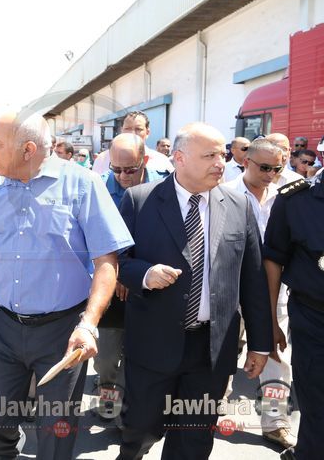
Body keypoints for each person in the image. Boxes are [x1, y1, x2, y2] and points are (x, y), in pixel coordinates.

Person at [0, 111, 134, 459]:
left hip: (62, 332)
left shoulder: (83, 184)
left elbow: (106, 262)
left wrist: (88, 324)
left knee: (56, 431)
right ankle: (9, 452)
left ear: (27, 149)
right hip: (3, 327)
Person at [115, 122, 272, 460]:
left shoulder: (239, 205)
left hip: (211, 350)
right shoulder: (140, 200)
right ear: (180, 158)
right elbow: (117, 263)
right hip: (153, 344)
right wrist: (146, 274)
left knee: (194, 443)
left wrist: (260, 344)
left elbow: (254, 279)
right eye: (210, 156)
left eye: (222, 155)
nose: (221, 163)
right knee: (139, 432)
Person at [222, 138, 295, 450]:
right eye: (264, 167)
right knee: (222, 353)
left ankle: (274, 423)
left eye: (277, 169)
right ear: (245, 162)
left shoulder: (287, 196)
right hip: (230, 290)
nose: (270, 175)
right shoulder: (223, 193)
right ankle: (212, 406)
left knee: (277, 358)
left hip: (274, 292)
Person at [95, 134, 164, 406]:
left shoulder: (164, 186)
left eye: (130, 169)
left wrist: (135, 275)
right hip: (110, 286)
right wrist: (118, 274)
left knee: (141, 353)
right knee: (106, 356)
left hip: (151, 285)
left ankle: (128, 406)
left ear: (144, 160)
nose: (123, 176)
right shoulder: (98, 188)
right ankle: (108, 398)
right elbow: (93, 238)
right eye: (116, 169)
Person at [263, 171, 324, 460]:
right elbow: (273, 259)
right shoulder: (295, 200)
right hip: (314, 320)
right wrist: (270, 321)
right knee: (317, 405)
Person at [92, 112, 173, 176]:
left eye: (138, 129)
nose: (132, 133)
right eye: (127, 129)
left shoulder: (161, 161)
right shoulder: (103, 159)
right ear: (121, 131)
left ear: (147, 132)